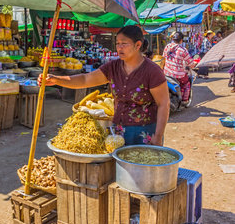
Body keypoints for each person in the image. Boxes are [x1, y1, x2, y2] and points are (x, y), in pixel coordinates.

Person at [38, 25, 170, 146]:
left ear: (138, 45)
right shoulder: (113, 67)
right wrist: (57, 80)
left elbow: (163, 104)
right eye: (117, 43)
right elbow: (85, 79)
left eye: (124, 44)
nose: (119, 48)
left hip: (145, 133)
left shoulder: (152, 71)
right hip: (119, 131)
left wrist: (158, 136)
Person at [163, 31, 195, 103]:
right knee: (186, 83)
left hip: (166, 73)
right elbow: (190, 63)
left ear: (173, 39)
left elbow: (164, 57)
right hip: (177, 75)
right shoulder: (183, 50)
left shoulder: (167, 47)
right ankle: (185, 100)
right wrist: (194, 64)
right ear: (181, 40)